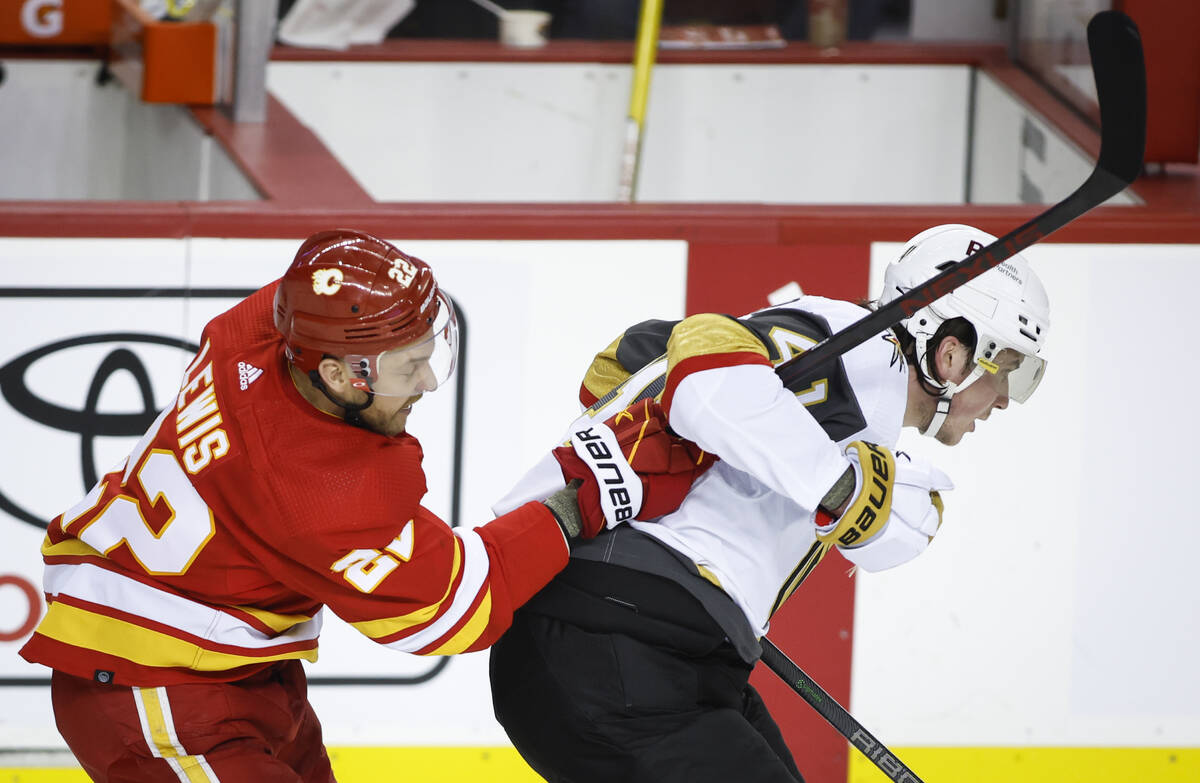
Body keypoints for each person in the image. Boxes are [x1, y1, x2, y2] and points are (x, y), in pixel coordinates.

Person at [17, 229, 640, 782]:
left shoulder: (259, 329)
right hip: (159, 693)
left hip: (239, 670)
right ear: (342, 377)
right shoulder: (320, 492)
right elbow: (451, 609)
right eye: (409, 367)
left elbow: (321, 284)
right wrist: (573, 507)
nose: (425, 383)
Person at [488, 223, 1051, 782]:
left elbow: (634, 359)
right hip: (611, 643)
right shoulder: (859, 351)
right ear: (952, 353)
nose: (1004, 399)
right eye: (1010, 370)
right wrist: (838, 487)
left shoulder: (861, 379)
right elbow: (702, 377)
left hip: (656, 653)